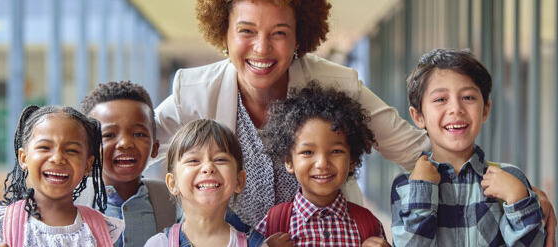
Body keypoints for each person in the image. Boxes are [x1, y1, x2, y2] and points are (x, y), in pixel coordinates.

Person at [153, 0, 556, 242]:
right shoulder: (194, 89)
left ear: (299, 39)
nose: (262, 47)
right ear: (223, 33)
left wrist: (511, 184)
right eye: (246, 31)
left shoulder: (335, 83)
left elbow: (417, 147)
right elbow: (135, 142)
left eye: (279, 32)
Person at [390, 49, 546, 246]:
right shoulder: (405, 185)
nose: (456, 108)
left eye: (468, 98)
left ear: (485, 110)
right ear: (418, 116)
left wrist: (518, 199)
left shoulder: (511, 179)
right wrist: (422, 191)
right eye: (440, 99)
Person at [255, 83, 390, 246]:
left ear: (352, 159)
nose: (322, 164)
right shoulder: (274, 223)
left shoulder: (369, 225)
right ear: (289, 161)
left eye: (336, 151)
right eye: (308, 152)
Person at [0, 105, 124, 246]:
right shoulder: (0, 227)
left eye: (72, 150)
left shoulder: (103, 229)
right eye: (45, 147)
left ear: (87, 165)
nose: (57, 158)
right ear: (23, 158)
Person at [78, 81, 176, 246]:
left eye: (138, 134)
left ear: (155, 148)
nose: (125, 143)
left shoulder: (173, 204)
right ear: (90, 149)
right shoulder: (72, 203)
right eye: (109, 135)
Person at [144, 119, 264, 247]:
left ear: (239, 181)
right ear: (173, 183)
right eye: (193, 160)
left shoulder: (257, 245)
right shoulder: (159, 244)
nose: (208, 167)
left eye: (220, 159)